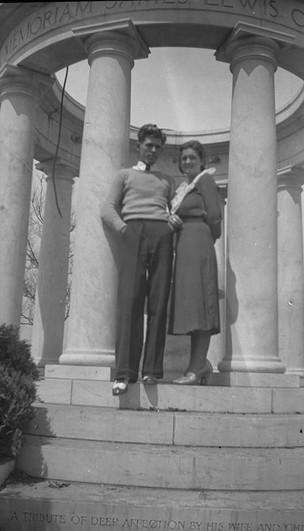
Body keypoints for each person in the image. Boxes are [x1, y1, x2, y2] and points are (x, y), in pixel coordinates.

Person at [101, 124, 181, 396]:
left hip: (162, 235)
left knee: (158, 302)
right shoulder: (124, 175)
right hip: (133, 232)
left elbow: (177, 207)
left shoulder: (167, 180)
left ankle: (151, 371)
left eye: (158, 147)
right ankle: (124, 373)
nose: (153, 150)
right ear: (139, 145)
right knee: (130, 301)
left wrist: (172, 222)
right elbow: (107, 209)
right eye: (149, 145)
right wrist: (124, 229)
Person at [168, 140, 222, 385]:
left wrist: (200, 235)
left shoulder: (205, 180)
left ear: (201, 160)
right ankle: (198, 364)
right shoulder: (184, 187)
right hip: (184, 246)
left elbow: (215, 218)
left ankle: (197, 366)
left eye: (192, 157)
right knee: (191, 307)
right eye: (184, 158)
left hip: (199, 243)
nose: (187, 161)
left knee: (201, 305)